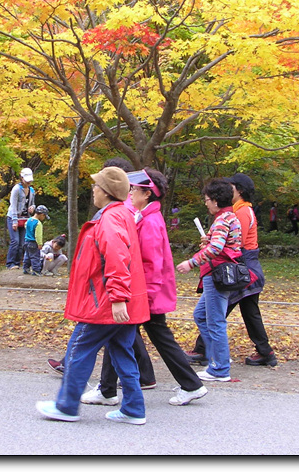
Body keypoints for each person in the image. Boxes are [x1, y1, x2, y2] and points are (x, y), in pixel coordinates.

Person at [81, 168, 208, 407]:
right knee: (128, 336)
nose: (129, 194)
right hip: (147, 293)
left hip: (148, 294)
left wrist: (143, 298)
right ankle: (189, 384)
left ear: (147, 194)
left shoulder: (150, 222)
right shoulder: (147, 217)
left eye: (134, 190)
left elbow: (151, 264)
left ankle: (109, 390)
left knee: (124, 333)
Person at [36, 166, 150, 425]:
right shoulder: (121, 214)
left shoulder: (110, 219)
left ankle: (66, 406)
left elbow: (118, 258)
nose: (93, 190)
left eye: (97, 186)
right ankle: (133, 408)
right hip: (115, 300)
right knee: (122, 352)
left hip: (105, 302)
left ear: (107, 192)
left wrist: (118, 297)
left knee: (79, 348)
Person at [188, 173, 277, 367]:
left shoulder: (242, 212)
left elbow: (237, 242)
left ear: (240, 190)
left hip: (241, 267)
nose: (229, 190)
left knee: (217, 312)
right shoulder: (236, 211)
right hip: (242, 266)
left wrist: (211, 243)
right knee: (245, 311)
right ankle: (264, 352)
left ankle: (206, 352)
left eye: (232, 187)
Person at [176, 179, 242, 382]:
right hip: (219, 275)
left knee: (215, 321)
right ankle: (219, 358)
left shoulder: (222, 220)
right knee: (202, 316)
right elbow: (227, 243)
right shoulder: (230, 217)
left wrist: (191, 262)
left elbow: (216, 249)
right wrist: (211, 238)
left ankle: (220, 368)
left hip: (217, 275)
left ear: (215, 200)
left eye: (207, 200)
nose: (205, 203)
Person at [5, 168, 36, 269]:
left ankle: (17, 263)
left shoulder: (31, 190)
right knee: (15, 241)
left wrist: (33, 208)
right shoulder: (16, 189)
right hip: (14, 218)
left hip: (25, 219)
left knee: (22, 243)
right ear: (22, 178)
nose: (28, 182)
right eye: (26, 179)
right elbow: (13, 205)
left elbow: (32, 204)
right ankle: (10, 263)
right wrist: (14, 221)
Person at [23, 205, 50, 276]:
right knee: (35, 257)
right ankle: (36, 270)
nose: (43, 218)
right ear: (41, 214)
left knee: (27, 256)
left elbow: (25, 226)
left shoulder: (29, 220)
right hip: (33, 242)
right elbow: (38, 235)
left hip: (26, 241)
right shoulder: (38, 223)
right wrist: (40, 244)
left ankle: (26, 268)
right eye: (44, 216)